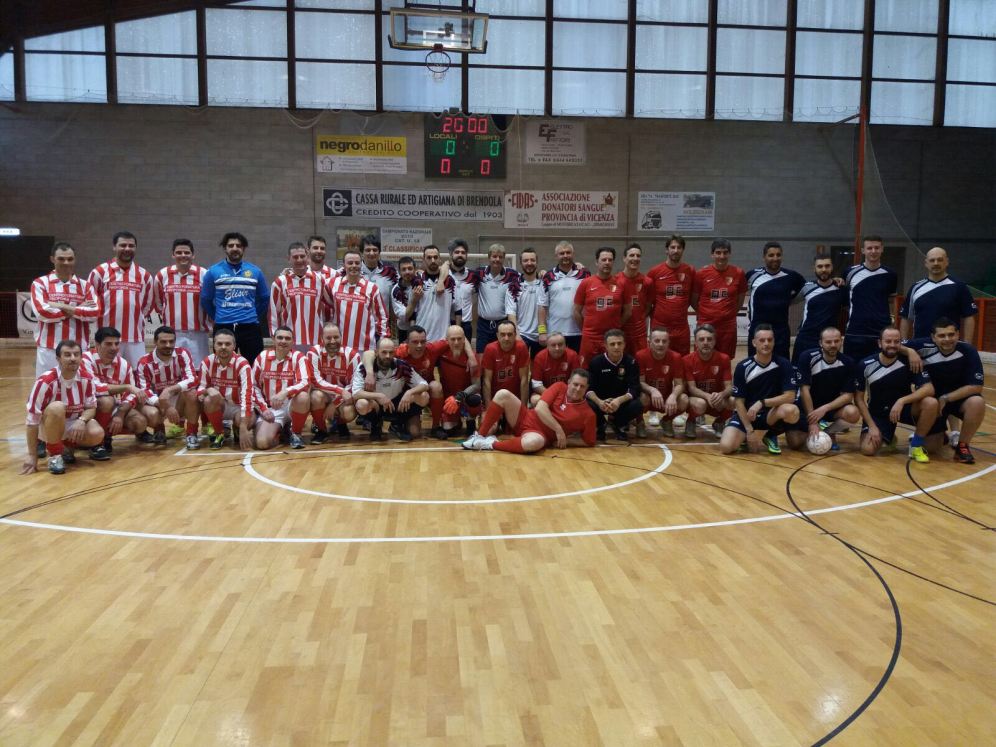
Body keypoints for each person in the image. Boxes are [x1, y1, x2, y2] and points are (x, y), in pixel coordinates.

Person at [902, 317, 985, 464]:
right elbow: (895, 345)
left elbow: (976, 386)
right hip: (932, 404)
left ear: (957, 334)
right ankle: (941, 434)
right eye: (942, 335)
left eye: (951, 334)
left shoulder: (968, 350)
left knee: (977, 402)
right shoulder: (922, 346)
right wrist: (909, 351)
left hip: (956, 399)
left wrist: (945, 398)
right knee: (932, 447)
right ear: (933, 337)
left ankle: (962, 447)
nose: (947, 339)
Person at [854, 326, 939, 463]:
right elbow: (858, 399)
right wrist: (872, 426)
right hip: (878, 413)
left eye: (896, 341)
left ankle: (916, 446)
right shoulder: (865, 365)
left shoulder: (910, 361)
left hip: (904, 409)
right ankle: (889, 437)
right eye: (888, 341)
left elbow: (929, 389)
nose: (892, 345)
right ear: (880, 343)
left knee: (931, 403)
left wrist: (902, 401)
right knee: (867, 449)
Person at [22, 339, 106, 475]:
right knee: (57, 407)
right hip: (47, 427)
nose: (73, 358)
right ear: (58, 359)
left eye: (76, 354)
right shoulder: (46, 381)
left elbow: (91, 407)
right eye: (67, 355)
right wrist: (32, 455)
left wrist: (81, 420)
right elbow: (32, 420)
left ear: (81, 358)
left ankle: (67, 448)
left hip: (71, 424)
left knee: (97, 432)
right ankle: (55, 456)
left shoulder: (87, 379)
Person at [463, 370, 597, 454]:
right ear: (569, 382)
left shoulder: (588, 414)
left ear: (587, 388)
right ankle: (479, 436)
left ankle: (490, 444)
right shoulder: (559, 387)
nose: (577, 389)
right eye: (575, 384)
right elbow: (540, 408)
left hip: (539, 434)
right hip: (525, 417)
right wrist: (559, 429)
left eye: (582, 386)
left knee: (533, 443)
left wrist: (567, 441)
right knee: (503, 394)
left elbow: (589, 442)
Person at [720, 324, 801, 455]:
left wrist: (762, 403)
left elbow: (790, 396)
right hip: (748, 415)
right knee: (726, 447)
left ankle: (771, 434)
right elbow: (739, 402)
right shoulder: (743, 367)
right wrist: (749, 430)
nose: (766, 343)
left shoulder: (784, 364)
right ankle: (744, 437)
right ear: (754, 343)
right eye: (762, 340)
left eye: (770, 340)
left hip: (770, 415)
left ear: (774, 342)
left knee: (792, 411)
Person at [84, 326, 158, 457]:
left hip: (114, 406)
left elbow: (132, 395)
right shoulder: (86, 359)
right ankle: (97, 443)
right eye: (108, 344)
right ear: (97, 344)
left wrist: (120, 414)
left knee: (139, 423)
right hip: (87, 407)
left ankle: (106, 435)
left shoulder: (124, 364)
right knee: (106, 401)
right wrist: (126, 387)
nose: (113, 348)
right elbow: (94, 388)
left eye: (116, 344)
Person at [31, 241, 100, 379]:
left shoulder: (85, 286)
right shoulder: (40, 283)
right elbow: (42, 313)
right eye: (61, 259)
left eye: (70, 259)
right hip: (49, 348)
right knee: (47, 386)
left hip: (78, 349)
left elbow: (94, 313)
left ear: (75, 259)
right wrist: (79, 308)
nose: (66, 263)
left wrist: (62, 306)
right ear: (52, 259)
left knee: (78, 387)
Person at [200, 232, 269, 364]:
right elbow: (205, 299)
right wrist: (218, 316)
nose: (235, 248)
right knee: (222, 365)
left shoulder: (255, 271)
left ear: (243, 248)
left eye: (238, 245)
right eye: (231, 245)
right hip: (223, 326)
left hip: (250, 327)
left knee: (254, 365)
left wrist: (252, 314)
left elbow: (265, 298)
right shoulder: (213, 271)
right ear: (225, 248)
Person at [88, 231, 155, 366]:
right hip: (106, 339)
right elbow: (91, 303)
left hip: (135, 338)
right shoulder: (99, 272)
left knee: (137, 373)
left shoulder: (145, 276)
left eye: (131, 246)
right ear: (114, 247)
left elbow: (147, 306)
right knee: (107, 373)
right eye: (123, 245)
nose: (127, 249)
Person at [793, 326, 861, 451]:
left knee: (853, 413)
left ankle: (829, 433)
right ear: (821, 343)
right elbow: (804, 390)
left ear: (841, 341)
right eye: (828, 342)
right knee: (795, 443)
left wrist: (825, 408)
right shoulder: (807, 357)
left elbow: (847, 396)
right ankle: (813, 430)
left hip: (831, 408)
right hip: (808, 407)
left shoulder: (848, 362)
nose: (833, 345)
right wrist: (813, 422)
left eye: (836, 341)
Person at [351, 337, 429, 441]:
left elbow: (424, 384)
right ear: (376, 352)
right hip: (377, 406)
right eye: (384, 352)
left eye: (391, 352)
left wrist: (410, 392)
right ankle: (375, 425)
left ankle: (397, 424)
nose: (388, 356)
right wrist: (378, 396)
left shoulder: (402, 366)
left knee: (424, 396)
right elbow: (356, 393)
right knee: (361, 404)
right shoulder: (364, 368)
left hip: (397, 404)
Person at [134, 325, 200, 448]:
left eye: (171, 341)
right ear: (155, 342)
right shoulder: (144, 362)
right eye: (163, 342)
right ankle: (159, 428)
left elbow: (193, 379)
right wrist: (165, 405)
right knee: (152, 413)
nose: (168, 345)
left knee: (191, 393)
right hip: (157, 402)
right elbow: (145, 391)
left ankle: (191, 433)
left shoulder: (182, 354)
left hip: (177, 399)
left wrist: (169, 390)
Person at [899, 246, 978, 342]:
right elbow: (906, 318)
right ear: (926, 263)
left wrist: (967, 344)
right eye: (932, 260)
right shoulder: (915, 288)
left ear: (947, 262)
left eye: (940, 260)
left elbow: (969, 317)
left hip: (949, 345)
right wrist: (903, 343)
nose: (936, 263)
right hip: (920, 345)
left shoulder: (959, 286)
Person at [252, 326, 311, 450]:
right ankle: (281, 430)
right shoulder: (262, 357)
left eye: (287, 338)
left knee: (303, 397)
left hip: (292, 406)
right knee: (262, 443)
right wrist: (263, 409)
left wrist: (285, 392)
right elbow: (253, 386)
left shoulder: (299, 357)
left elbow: (305, 382)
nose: (283, 341)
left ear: (292, 341)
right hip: (271, 409)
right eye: (280, 338)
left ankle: (296, 433)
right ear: (273, 339)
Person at [154, 238, 211, 366]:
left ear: (193, 255)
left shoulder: (204, 274)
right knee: (173, 368)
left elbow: (210, 301)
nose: (183, 255)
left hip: (198, 334)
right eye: (179, 252)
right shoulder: (162, 275)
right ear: (173, 255)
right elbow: (159, 303)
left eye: (187, 252)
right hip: (172, 334)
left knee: (199, 368)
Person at [196, 328, 256, 450]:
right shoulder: (207, 362)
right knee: (209, 399)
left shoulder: (242, 364)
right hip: (220, 404)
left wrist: (243, 426)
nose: (223, 347)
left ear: (234, 346)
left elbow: (247, 395)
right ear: (214, 345)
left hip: (238, 406)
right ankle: (220, 433)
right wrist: (207, 390)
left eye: (227, 344)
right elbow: (200, 388)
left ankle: (237, 427)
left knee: (249, 422)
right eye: (219, 344)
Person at [745, 241, 806, 359]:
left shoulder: (792, 276)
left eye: (778, 255)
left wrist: (834, 280)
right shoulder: (752, 275)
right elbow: (738, 291)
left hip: (781, 330)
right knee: (756, 363)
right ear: (764, 257)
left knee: (782, 364)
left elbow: (808, 290)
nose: (775, 258)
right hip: (757, 328)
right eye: (771, 255)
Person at [323, 249, 389, 354]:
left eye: (357, 263)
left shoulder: (372, 288)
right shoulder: (332, 284)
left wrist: (383, 343)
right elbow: (316, 287)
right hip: (338, 346)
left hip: (365, 347)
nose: (354, 266)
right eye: (350, 263)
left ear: (361, 264)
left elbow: (382, 318)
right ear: (343, 265)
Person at [843, 235, 898, 360]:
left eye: (877, 248)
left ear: (882, 249)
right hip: (855, 332)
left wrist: (892, 324)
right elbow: (846, 301)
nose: (873, 251)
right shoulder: (849, 273)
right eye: (869, 248)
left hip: (881, 332)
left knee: (880, 369)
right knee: (853, 368)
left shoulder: (891, 274)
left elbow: (891, 300)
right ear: (863, 250)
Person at [691, 238, 746, 359]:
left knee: (725, 359)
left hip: (728, 327)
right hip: (705, 325)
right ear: (712, 254)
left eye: (725, 252)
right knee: (702, 358)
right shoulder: (701, 274)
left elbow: (740, 299)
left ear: (729, 254)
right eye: (718, 253)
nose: (722, 256)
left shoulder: (738, 273)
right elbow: (694, 300)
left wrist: (728, 314)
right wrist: (705, 314)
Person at [573, 247, 628, 367]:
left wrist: (617, 326)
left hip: (612, 339)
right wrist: (586, 330)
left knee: (611, 371)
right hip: (590, 338)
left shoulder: (621, 284)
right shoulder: (586, 283)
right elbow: (576, 311)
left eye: (610, 260)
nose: (607, 262)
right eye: (604, 260)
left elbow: (627, 311)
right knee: (586, 371)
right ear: (597, 262)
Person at [586, 328, 643, 441]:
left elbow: (634, 388)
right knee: (586, 403)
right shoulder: (596, 362)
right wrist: (599, 402)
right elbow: (589, 389)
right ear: (606, 346)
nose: (616, 347)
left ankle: (618, 424)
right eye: (612, 344)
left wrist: (618, 401)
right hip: (601, 402)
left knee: (637, 405)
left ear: (624, 345)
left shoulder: (631, 362)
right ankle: (600, 424)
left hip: (620, 402)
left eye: (619, 343)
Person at [305, 322, 358, 443]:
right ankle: (321, 430)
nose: (333, 341)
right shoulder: (313, 353)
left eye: (336, 337)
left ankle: (341, 424)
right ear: (322, 339)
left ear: (341, 337)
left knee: (348, 413)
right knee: (315, 396)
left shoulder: (352, 355)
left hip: (343, 397)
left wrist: (334, 404)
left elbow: (354, 384)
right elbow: (316, 381)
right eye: (328, 338)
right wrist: (340, 391)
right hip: (324, 394)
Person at [269, 241, 324, 352]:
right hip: (289, 341)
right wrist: (275, 337)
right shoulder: (280, 282)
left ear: (307, 257)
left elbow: (330, 305)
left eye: (302, 256)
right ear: (288, 259)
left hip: (316, 341)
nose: (299, 260)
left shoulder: (320, 280)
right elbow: (273, 314)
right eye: (295, 257)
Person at [792, 253, 846, 363]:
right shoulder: (807, 287)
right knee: (799, 371)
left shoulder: (840, 288)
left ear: (832, 267)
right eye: (820, 266)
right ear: (814, 268)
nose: (824, 269)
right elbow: (790, 301)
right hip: (806, 339)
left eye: (827, 266)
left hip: (829, 341)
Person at [466, 243, 520, 352]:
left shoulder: (512, 275)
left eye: (500, 257)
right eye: (494, 256)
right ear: (489, 257)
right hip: (483, 325)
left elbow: (527, 278)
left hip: (503, 324)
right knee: (481, 355)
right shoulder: (479, 273)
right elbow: (462, 276)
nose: (497, 259)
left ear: (504, 258)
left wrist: (540, 274)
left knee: (502, 355)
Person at [683, 323, 734, 438]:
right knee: (700, 403)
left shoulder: (724, 359)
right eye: (701, 339)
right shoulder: (686, 360)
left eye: (709, 339)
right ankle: (691, 421)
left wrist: (721, 394)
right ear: (695, 343)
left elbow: (729, 387)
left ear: (714, 341)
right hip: (698, 399)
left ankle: (720, 422)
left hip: (716, 399)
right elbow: (691, 388)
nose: (705, 342)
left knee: (733, 400)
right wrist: (707, 396)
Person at [647, 234, 695, 355]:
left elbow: (692, 298)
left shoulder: (690, 271)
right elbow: (648, 301)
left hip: (681, 328)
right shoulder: (654, 272)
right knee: (658, 359)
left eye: (679, 247)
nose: (675, 250)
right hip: (660, 327)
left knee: (682, 361)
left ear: (683, 250)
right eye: (672, 247)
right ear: (666, 250)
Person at [636, 328, 688, 439]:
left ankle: (667, 421)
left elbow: (679, 384)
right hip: (648, 397)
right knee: (641, 397)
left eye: (664, 341)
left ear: (669, 343)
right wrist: (652, 390)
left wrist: (673, 396)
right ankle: (640, 422)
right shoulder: (641, 355)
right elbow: (640, 382)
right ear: (649, 342)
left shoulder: (676, 357)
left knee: (683, 399)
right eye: (657, 341)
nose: (661, 344)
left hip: (666, 399)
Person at [541, 240, 590, 353]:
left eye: (568, 252)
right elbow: (542, 306)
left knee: (577, 363)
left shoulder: (585, 274)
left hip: (579, 332)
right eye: (562, 253)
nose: (565, 256)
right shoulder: (548, 276)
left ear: (573, 254)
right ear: (556, 256)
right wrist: (542, 331)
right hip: (555, 333)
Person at [435, 325, 482, 438]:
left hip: (465, 397)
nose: (456, 342)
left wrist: (460, 396)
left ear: (464, 340)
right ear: (446, 340)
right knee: (449, 430)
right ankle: (456, 421)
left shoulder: (472, 358)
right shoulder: (440, 353)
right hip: (448, 399)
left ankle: (470, 420)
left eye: (459, 339)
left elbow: (477, 385)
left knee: (475, 399)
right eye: (453, 339)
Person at [505, 247, 548, 358]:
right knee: (521, 367)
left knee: (539, 367)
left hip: (542, 335)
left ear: (537, 262)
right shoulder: (513, 286)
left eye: (532, 260)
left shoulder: (545, 283)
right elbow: (511, 314)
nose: (529, 263)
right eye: (526, 260)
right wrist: (517, 335)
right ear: (521, 263)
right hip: (522, 335)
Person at [406, 245, 455, 342]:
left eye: (435, 257)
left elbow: (456, 310)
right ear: (423, 260)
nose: (433, 260)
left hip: (443, 338)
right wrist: (412, 336)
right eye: (429, 257)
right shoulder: (417, 281)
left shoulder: (450, 281)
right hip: (422, 339)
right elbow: (412, 313)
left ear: (439, 259)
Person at [481, 320, 530, 408]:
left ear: (515, 335)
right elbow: (487, 381)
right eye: (503, 334)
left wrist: (523, 409)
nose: (506, 338)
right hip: (496, 399)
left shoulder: (521, 347)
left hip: (515, 398)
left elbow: (524, 380)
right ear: (497, 335)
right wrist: (489, 408)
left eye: (510, 334)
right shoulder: (490, 349)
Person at [616, 243, 653, 355]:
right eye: (632, 255)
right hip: (620, 333)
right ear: (624, 258)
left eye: (638, 256)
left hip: (639, 335)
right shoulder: (615, 280)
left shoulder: (647, 282)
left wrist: (639, 320)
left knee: (639, 363)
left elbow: (648, 307)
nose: (635, 258)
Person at [530, 332, 580, 406]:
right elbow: (536, 384)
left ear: (565, 345)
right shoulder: (540, 357)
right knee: (535, 400)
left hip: (567, 392)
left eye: (560, 344)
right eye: (553, 345)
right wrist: (553, 396)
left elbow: (577, 380)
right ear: (547, 346)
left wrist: (565, 396)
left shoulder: (573, 355)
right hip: (546, 391)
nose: (557, 348)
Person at [359, 234, 399, 325]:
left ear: (379, 252)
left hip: (383, 326)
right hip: (359, 325)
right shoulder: (353, 272)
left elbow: (405, 283)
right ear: (361, 253)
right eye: (368, 250)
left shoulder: (390, 272)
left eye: (375, 250)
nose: (372, 253)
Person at [446, 238, 475, 341]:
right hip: (447, 323)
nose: (460, 255)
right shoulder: (443, 274)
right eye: (457, 252)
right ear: (451, 254)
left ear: (466, 255)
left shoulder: (473, 276)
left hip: (466, 325)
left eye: (463, 252)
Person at [390, 256, 418, 343]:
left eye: (410, 268)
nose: (407, 272)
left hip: (423, 326)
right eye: (404, 269)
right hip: (404, 330)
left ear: (415, 269)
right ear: (399, 272)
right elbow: (404, 316)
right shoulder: (396, 290)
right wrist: (414, 300)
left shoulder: (422, 281)